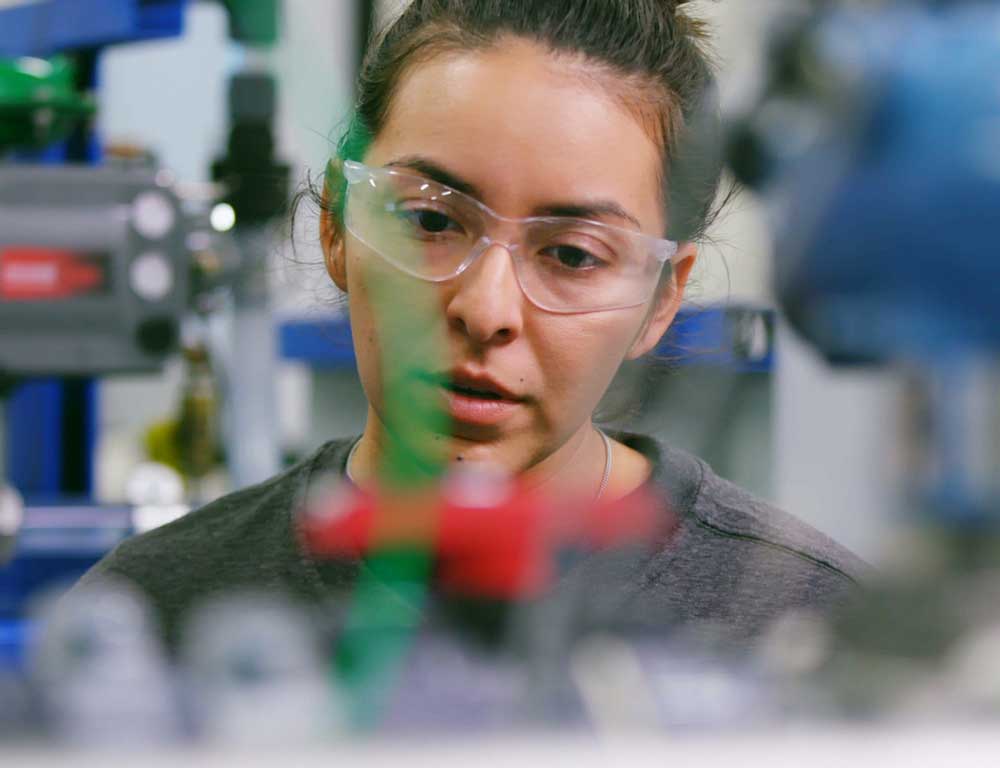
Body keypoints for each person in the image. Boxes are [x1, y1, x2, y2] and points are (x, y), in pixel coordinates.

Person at [73, 0, 866, 653]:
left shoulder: (811, 631)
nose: (486, 310)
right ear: (337, 230)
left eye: (572, 253)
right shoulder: (150, 617)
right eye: (427, 220)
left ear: (662, 300)